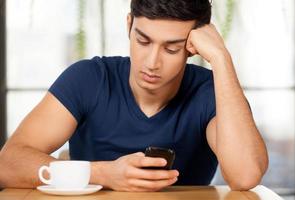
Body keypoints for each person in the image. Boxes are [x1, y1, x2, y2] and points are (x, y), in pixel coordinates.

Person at [0, 0, 268, 192]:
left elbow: (245, 176)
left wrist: (221, 58)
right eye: (143, 41)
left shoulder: (210, 91)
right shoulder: (89, 79)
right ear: (129, 25)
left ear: (193, 46)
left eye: (171, 49)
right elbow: (7, 163)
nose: (152, 62)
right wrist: (103, 173)